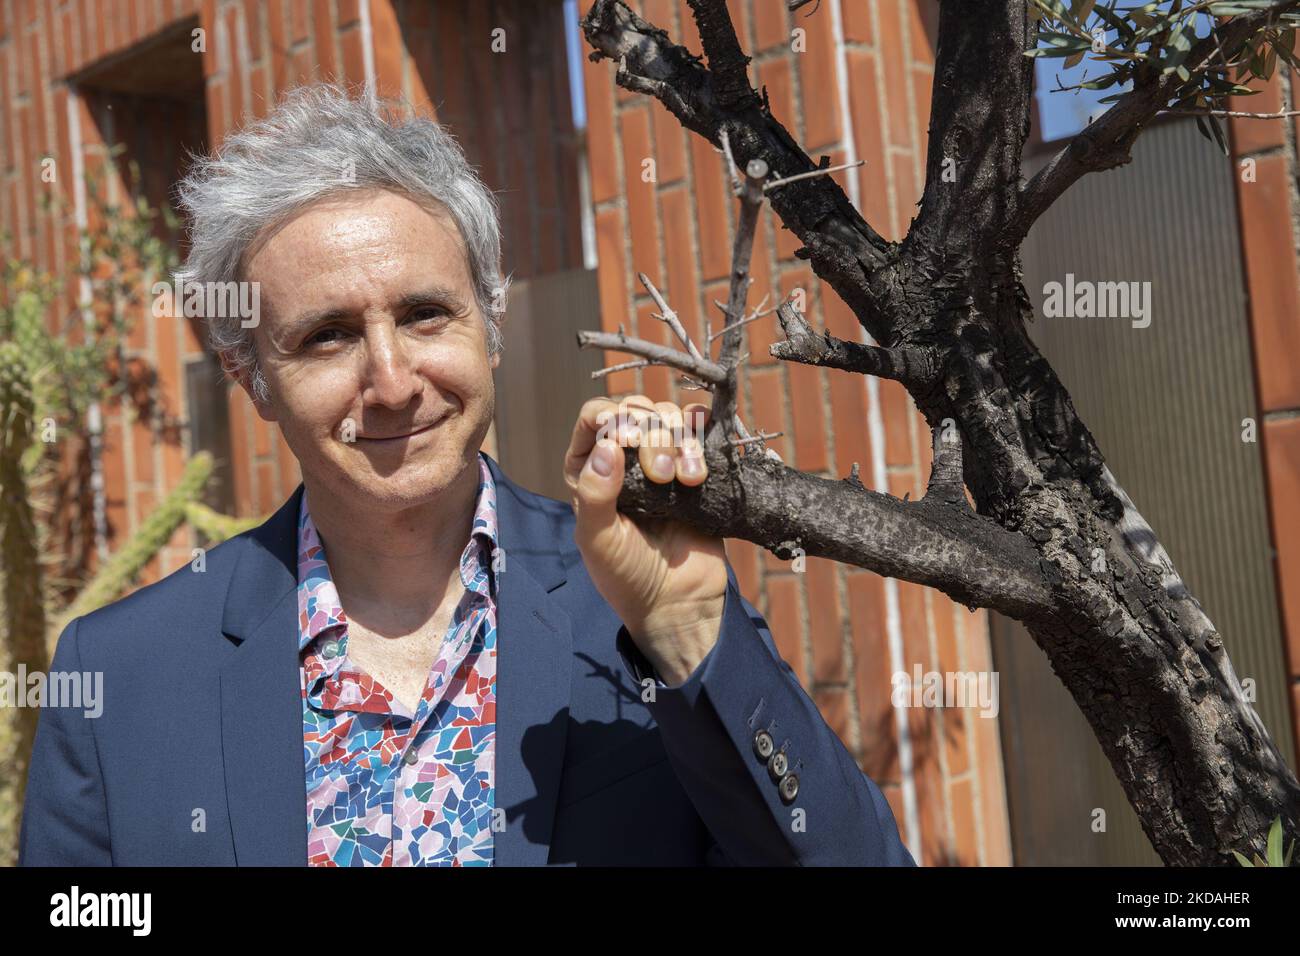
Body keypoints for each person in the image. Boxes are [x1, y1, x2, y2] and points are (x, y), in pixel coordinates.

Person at [19, 84, 913, 867]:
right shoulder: (118, 680)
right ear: (251, 375)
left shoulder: (636, 609)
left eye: (424, 314)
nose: (394, 381)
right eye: (327, 335)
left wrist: (687, 636)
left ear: (489, 325)